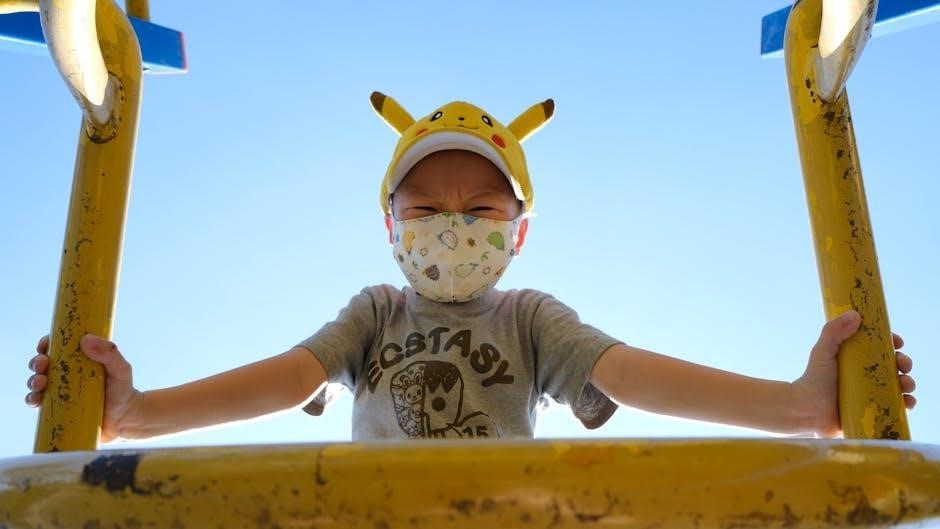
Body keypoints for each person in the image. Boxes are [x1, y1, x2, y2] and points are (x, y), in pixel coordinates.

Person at [25, 92, 917, 442]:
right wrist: (136, 412)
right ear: (391, 228)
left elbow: (634, 373)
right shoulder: (376, 312)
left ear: (516, 233)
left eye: (480, 210)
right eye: (425, 210)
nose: (451, 227)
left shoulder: (529, 319)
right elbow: (286, 377)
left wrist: (799, 405)